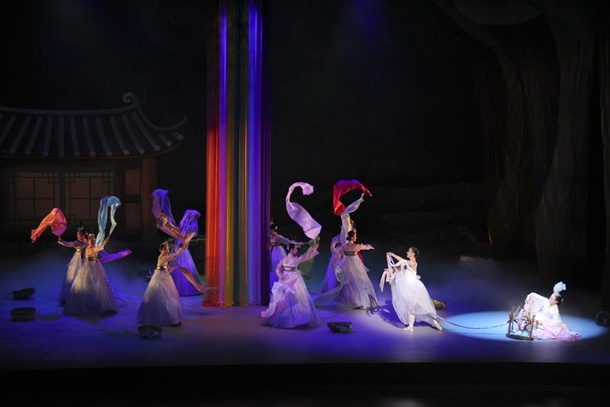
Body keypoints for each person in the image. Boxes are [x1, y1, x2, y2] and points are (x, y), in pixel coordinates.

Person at [138, 241, 211, 327]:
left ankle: (170, 318)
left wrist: (180, 249)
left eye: (168, 249)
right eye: (165, 249)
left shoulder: (164, 257)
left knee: (169, 296)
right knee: (161, 296)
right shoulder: (161, 258)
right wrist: (181, 249)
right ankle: (162, 318)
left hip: (165, 276)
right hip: (160, 277)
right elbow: (173, 256)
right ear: (161, 250)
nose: (167, 251)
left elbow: (172, 257)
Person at [261, 241, 320, 328]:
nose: (297, 250)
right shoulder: (295, 259)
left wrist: (281, 275)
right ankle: (293, 318)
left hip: (287, 278)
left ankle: (290, 317)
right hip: (293, 278)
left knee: (289, 296)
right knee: (293, 296)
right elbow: (306, 256)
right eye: (295, 249)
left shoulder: (284, 259)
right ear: (291, 250)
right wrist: (314, 249)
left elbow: (277, 269)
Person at [382, 248, 442, 332]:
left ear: (413, 254)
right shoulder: (406, 263)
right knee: (411, 307)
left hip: (415, 286)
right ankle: (410, 326)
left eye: (409, 251)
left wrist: (392, 255)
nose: (407, 252)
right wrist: (390, 262)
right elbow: (398, 267)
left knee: (423, 305)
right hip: (408, 286)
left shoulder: (413, 263)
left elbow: (402, 260)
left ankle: (434, 320)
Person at [63, 233, 118, 316]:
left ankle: (97, 303)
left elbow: (100, 251)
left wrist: (113, 254)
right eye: (91, 241)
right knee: (88, 285)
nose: (92, 242)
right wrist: (104, 244)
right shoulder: (89, 249)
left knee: (99, 285)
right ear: (88, 242)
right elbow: (96, 250)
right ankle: (87, 304)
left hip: (96, 267)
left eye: (93, 241)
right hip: (88, 268)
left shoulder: (94, 248)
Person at [333, 230, 377, 310]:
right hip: (355, 264)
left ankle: (349, 300)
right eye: (355, 236)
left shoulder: (344, 246)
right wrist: (369, 246)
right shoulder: (356, 246)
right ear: (352, 237)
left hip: (345, 264)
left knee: (347, 282)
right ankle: (357, 300)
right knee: (357, 282)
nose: (356, 237)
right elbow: (365, 247)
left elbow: (337, 252)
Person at [56, 226, 88, 305]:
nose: (79, 237)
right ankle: (68, 296)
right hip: (77, 260)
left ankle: (84, 295)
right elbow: (69, 244)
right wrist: (62, 241)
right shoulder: (76, 242)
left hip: (85, 259)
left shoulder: (87, 242)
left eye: (80, 235)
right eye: (78, 235)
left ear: (84, 235)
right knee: (73, 276)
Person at [269, 220, 301, 288]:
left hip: (277, 253)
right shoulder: (268, 236)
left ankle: (282, 283)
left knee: (278, 266)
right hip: (270, 252)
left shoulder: (277, 237)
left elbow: (287, 241)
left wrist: (297, 244)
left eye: (269, 229)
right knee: (271, 268)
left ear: (272, 230)